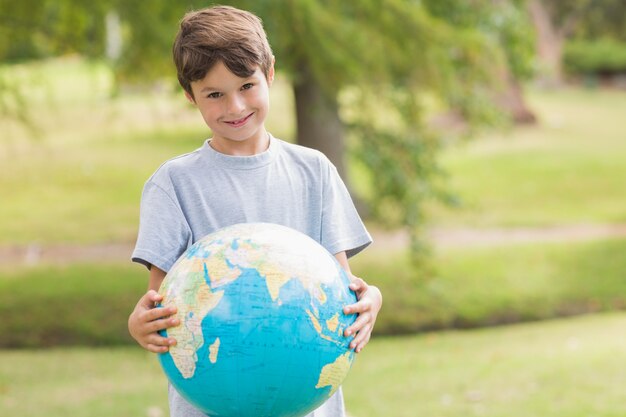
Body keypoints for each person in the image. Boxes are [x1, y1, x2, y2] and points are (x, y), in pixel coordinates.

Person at [127, 5, 382, 417]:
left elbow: (340, 291)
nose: (235, 106)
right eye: (214, 94)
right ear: (189, 95)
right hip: (215, 403)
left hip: (306, 402)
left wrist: (372, 301)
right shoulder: (173, 185)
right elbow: (162, 308)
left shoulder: (314, 171)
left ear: (270, 73)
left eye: (247, 85)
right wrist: (140, 325)